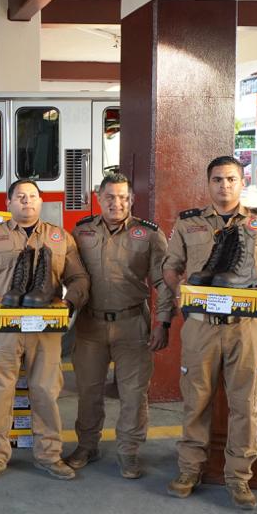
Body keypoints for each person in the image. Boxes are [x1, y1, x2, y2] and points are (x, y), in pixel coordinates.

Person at [163, 156, 257, 510]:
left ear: (242, 183)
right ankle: (189, 470)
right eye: (218, 179)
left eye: (231, 179)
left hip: (244, 328)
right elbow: (170, 266)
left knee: (244, 404)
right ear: (208, 184)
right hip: (201, 326)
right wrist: (177, 287)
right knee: (195, 401)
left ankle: (238, 478)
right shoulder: (188, 223)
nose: (224, 186)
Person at [0, 178, 89, 482]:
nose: (27, 201)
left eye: (32, 196)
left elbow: (79, 279)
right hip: (3, 330)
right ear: (8, 203)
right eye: (20, 196)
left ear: (40, 202)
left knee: (46, 392)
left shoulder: (61, 238)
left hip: (45, 331)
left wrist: (69, 304)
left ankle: (49, 455)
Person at [64, 172, 175, 480]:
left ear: (131, 200)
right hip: (90, 324)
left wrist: (162, 322)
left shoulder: (149, 234)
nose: (117, 203)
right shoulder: (81, 232)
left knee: (134, 394)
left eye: (123, 197)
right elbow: (70, 275)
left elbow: (162, 282)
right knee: (88, 391)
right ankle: (87, 446)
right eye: (110, 197)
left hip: (132, 323)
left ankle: (129, 452)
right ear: (99, 198)